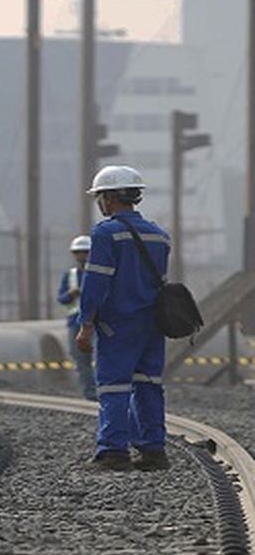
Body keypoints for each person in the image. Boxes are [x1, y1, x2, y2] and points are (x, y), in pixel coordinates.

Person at [75, 165, 170, 472]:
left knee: (114, 387)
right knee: (149, 385)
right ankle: (154, 451)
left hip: (118, 324)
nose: (100, 203)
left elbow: (96, 283)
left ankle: (114, 452)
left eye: (100, 196)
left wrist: (86, 324)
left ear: (110, 197)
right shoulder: (160, 236)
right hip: (153, 324)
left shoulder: (105, 234)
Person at [57, 235, 97, 400]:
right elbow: (61, 298)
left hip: (97, 322)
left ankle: (103, 390)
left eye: (85, 252)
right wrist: (71, 294)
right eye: (78, 252)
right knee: (81, 360)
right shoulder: (70, 276)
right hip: (76, 322)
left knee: (100, 358)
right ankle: (90, 393)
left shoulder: (99, 273)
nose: (82, 256)